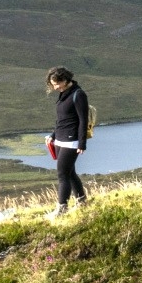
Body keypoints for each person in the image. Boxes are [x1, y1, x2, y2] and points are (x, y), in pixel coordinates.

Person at [45, 68, 90, 213]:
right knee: (70, 173)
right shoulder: (63, 94)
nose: (55, 87)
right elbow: (63, 120)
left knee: (62, 174)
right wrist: (53, 135)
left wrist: (82, 143)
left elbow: (83, 120)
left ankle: (61, 208)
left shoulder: (79, 94)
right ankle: (82, 201)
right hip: (60, 139)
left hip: (72, 140)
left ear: (65, 80)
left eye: (57, 84)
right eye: (53, 84)